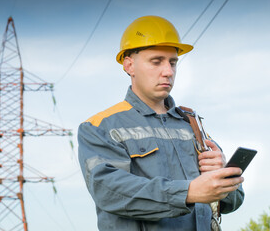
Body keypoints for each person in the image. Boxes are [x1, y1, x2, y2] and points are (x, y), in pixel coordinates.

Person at [77, 15, 244, 231]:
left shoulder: (193, 126)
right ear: (129, 65)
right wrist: (189, 192)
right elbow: (109, 191)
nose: (168, 71)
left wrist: (223, 175)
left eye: (173, 62)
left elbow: (233, 201)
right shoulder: (101, 127)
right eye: (156, 62)